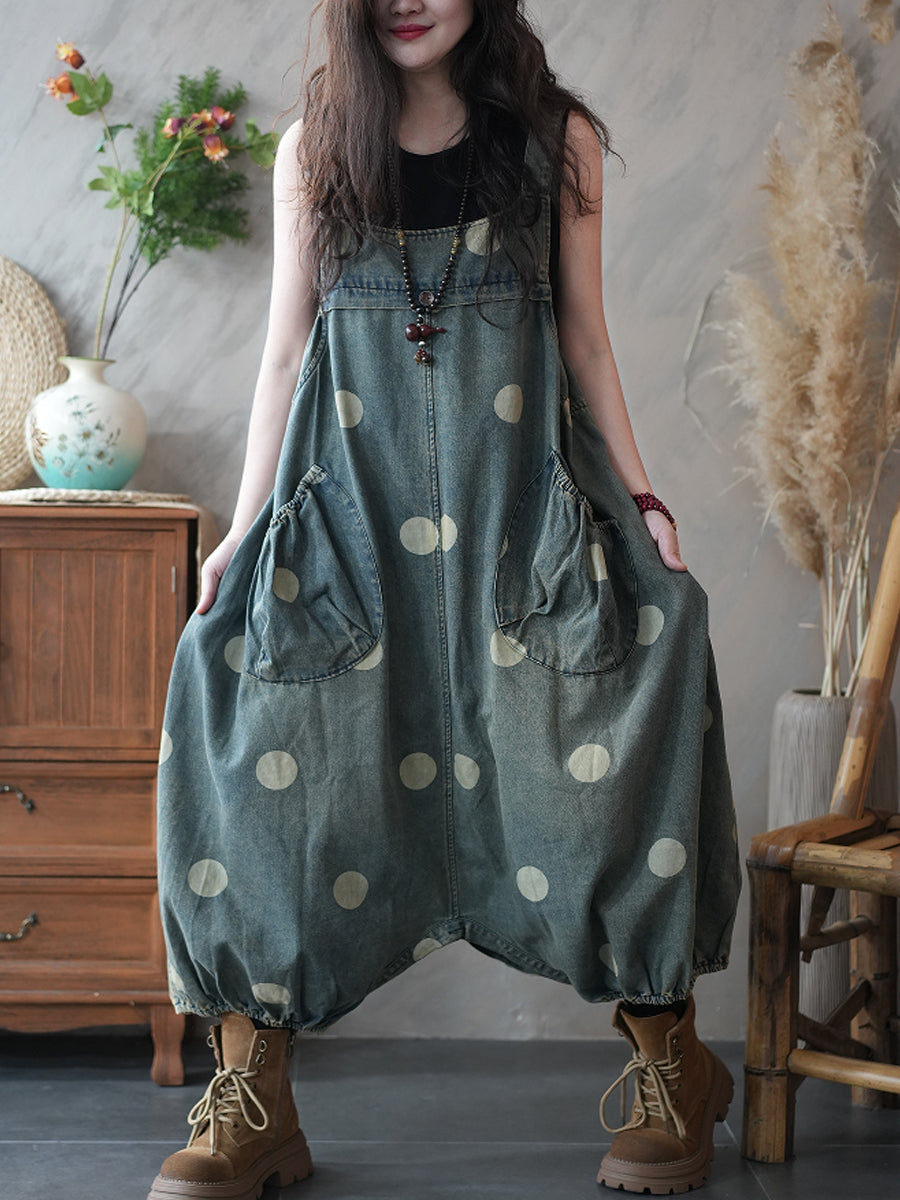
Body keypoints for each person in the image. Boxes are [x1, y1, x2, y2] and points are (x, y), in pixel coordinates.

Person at [149, 2, 741, 1197]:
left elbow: (586, 341)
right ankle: (256, 1092)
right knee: (247, 735)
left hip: (523, 517)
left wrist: (642, 497)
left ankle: (674, 1064)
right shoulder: (315, 148)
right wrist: (248, 527)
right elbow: (285, 351)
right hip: (350, 530)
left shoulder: (558, 141)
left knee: (635, 698)